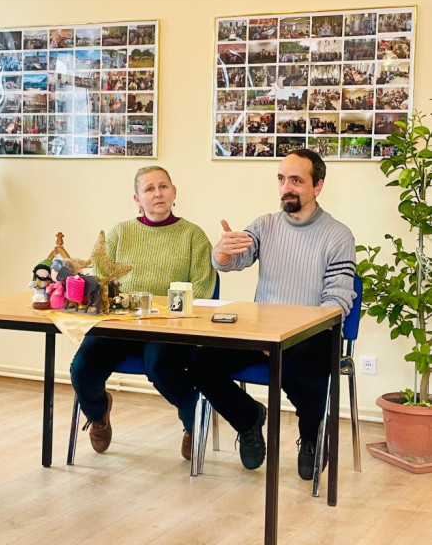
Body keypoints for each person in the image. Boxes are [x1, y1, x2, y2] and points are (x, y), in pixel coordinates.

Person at [191, 149, 356, 479]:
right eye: (281, 179)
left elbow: (337, 301)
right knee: (198, 362)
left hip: (313, 334)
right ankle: (248, 419)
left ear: (318, 186)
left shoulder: (338, 235)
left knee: (298, 371)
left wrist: (287, 334)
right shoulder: (264, 225)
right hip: (263, 333)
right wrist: (221, 254)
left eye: (296, 180)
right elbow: (235, 259)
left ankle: (312, 437)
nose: (286, 188)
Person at [70, 166, 216, 461]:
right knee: (82, 368)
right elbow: (100, 280)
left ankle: (192, 419)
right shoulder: (120, 233)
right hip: (121, 324)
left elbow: (203, 290)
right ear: (137, 199)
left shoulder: (194, 236)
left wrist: (166, 314)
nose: (157, 193)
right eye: (149, 189)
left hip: (169, 328)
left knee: (159, 365)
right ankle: (98, 414)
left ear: (174, 192)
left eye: (163, 186)